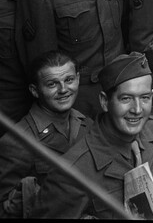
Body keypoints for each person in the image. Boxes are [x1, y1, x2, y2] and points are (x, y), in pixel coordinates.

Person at [31, 52, 153, 219]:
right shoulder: (72, 173)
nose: (137, 109)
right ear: (104, 102)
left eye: (145, 98)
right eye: (126, 99)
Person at [0, 50, 91, 218]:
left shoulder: (86, 124)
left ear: (78, 79)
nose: (63, 89)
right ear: (35, 91)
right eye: (52, 84)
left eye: (69, 80)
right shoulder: (18, 141)